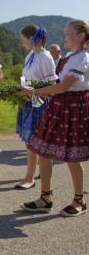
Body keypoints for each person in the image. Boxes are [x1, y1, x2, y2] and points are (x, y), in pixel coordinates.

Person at [17, 20, 89, 217]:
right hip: (60, 104)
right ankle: (45, 198)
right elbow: (58, 90)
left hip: (74, 107)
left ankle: (79, 200)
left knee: (72, 156)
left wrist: (33, 90)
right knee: (43, 150)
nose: (63, 36)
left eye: (67, 33)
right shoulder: (68, 57)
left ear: (81, 37)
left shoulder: (83, 58)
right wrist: (37, 94)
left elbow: (63, 87)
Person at [14, 25, 58, 190]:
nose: (22, 44)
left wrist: (34, 93)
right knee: (28, 142)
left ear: (33, 39)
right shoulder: (29, 56)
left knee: (35, 143)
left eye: (23, 40)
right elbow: (28, 80)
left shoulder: (46, 57)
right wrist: (22, 89)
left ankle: (29, 178)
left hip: (39, 104)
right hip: (28, 102)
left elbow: (52, 85)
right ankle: (35, 173)